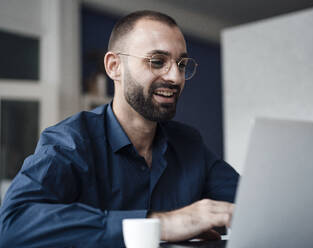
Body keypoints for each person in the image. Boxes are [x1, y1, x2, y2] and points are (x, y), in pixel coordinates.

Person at [0, 10, 239, 247]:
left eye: (181, 64)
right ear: (114, 66)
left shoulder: (189, 143)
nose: (176, 77)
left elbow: (252, 204)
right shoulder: (70, 141)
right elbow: (13, 225)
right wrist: (160, 224)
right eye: (157, 62)